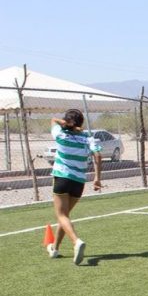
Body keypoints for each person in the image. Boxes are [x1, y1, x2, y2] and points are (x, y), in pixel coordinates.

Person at [47, 109, 102, 265]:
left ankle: (76, 241)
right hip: (79, 182)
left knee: (61, 216)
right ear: (81, 123)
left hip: (62, 178)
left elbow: (52, 120)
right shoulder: (88, 138)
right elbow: (98, 155)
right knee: (65, 216)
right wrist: (97, 178)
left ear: (66, 121)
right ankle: (55, 248)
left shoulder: (60, 135)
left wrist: (61, 122)